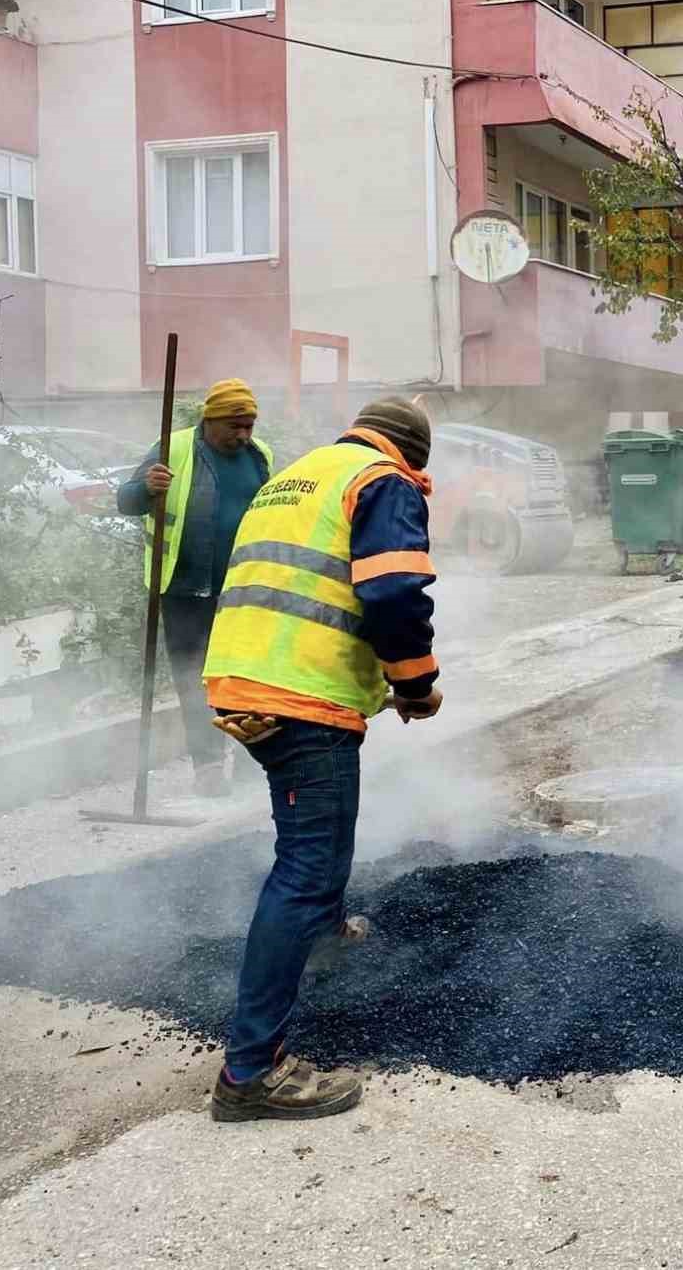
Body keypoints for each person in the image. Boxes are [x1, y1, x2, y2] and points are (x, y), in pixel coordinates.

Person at [202, 397, 443, 1122]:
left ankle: (329, 935)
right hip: (300, 693)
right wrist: (416, 684)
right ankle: (252, 1073)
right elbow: (394, 592)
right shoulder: (382, 480)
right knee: (307, 868)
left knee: (317, 839)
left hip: (246, 678)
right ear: (411, 455)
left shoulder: (301, 475)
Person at [118, 379, 273, 798]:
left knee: (246, 678)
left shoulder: (260, 458)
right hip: (184, 589)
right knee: (195, 681)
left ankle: (248, 761)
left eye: (249, 426)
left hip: (243, 589)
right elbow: (126, 502)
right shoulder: (176, 449)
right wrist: (147, 488)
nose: (243, 435)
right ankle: (207, 766)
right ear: (211, 420)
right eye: (234, 426)